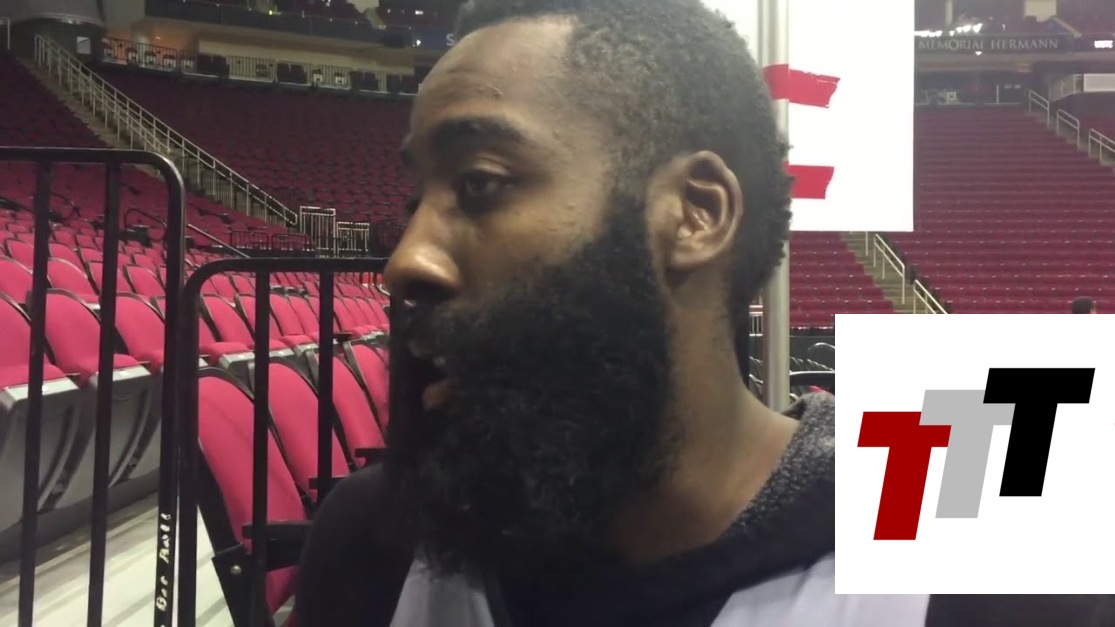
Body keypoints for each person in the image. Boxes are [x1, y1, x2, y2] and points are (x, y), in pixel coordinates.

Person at [294, 1, 1115, 625]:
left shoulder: (998, 558)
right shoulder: (373, 540)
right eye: (416, 199)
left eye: (479, 183)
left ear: (696, 212)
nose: (405, 259)